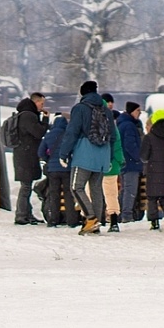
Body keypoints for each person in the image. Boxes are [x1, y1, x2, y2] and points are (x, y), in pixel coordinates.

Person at [57, 80, 114, 235]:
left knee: (76, 186)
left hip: (85, 153)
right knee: (96, 189)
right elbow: (113, 135)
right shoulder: (106, 110)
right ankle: (95, 224)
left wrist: (64, 153)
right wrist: (110, 157)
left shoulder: (80, 108)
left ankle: (91, 219)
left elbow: (72, 132)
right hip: (103, 154)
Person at [11, 95, 47, 224]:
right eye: (41, 103)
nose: (42, 106)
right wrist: (45, 120)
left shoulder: (22, 114)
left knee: (26, 186)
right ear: (35, 102)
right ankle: (21, 215)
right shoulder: (28, 116)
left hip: (22, 154)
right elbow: (39, 132)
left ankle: (27, 214)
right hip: (26, 156)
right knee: (26, 187)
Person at [39, 108, 78, 228]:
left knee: (54, 194)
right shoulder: (68, 135)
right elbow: (74, 150)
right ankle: (72, 220)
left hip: (53, 170)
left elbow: (40, 152)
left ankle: (53, 220)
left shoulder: (49, 135)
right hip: (66, 168)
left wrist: (48, 160)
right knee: (68, 194)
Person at [140, 108, 164, 228]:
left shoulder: (149, 137)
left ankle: (154, 222)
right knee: (163, 195)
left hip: (153, 170)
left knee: (152, 197)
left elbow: (143, 156)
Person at [101, 97, 125, 232]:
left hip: (94, 165)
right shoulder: (112, 126)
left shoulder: (91, 124)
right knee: (111, 193)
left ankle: (92, 220)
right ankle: (114, 221)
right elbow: (117, 145)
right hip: (111, 165)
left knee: (91, 192)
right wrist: (119, 160)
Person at [118, 101, 145, 221]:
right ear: (132, 111)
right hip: (131, 163)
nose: (140, 113)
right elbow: (130, 145)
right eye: (138, 110)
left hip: (124, 162)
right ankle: (127, 215)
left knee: (125, 189)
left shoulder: (122, 124)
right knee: (130, 190)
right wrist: (139, 157)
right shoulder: (129, 125)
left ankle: (119, 214)